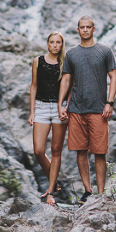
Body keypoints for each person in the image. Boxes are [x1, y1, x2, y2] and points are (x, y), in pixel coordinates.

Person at [58, 15, 116, 204]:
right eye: (82, 27)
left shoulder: (105, 51)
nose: (85, 30)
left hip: (99, 109)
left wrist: (110, 102)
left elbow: (114, 77)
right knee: (80, 150)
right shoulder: (72, 54)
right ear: (77, 30)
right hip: (76, 108)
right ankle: (87, 191)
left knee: (100, 152)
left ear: (94, 29)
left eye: (88, 27)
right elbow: (66, 79)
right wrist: (62, 104)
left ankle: (100, 194)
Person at [28, 31, 69, 205]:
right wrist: (32, 112)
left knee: (56, 151)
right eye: (52, 42)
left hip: (59, 109)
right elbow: (34, 86)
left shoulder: (66, 63)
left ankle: (50, 192)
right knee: (38, 150)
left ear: (61, 45)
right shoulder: (38, 61)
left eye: (58, 42)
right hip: (41, 107)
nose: (55, 45)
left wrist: (66, 107)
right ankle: (54, 181)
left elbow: (71, 87)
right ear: (47, 44)